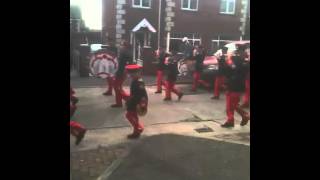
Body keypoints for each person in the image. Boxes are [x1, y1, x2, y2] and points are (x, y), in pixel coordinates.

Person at [221, 45, 250, 128]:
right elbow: (228, 70)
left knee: (230, 105)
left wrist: (228, 61)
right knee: (233, 104)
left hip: (235, 85)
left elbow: (232, 70)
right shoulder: (243, 61)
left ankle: (236, 119)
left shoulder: (239, 61)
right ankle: (242, 116)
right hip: (236, 84)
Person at [124, 64, 148, 139]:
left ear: (138, 73)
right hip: (134, 101)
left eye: (132, 74)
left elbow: (142, 94)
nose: (131, 76)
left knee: (129, 115)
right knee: (133, 116)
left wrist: (142, 104)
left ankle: (137, 129)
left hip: (136, 102)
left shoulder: (139, 82)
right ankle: (137, 130)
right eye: (130, 74)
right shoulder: (135, 80)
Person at [111, 41, 132, 108]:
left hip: (121, 71)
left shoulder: (123, 52)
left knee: (117, 87)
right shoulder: (127, 52)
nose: (121, 46)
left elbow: (120, 63)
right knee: (118, 87)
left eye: (122, 45)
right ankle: (123, 101)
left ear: (124, 46)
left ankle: (127, 100)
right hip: (123, 71)